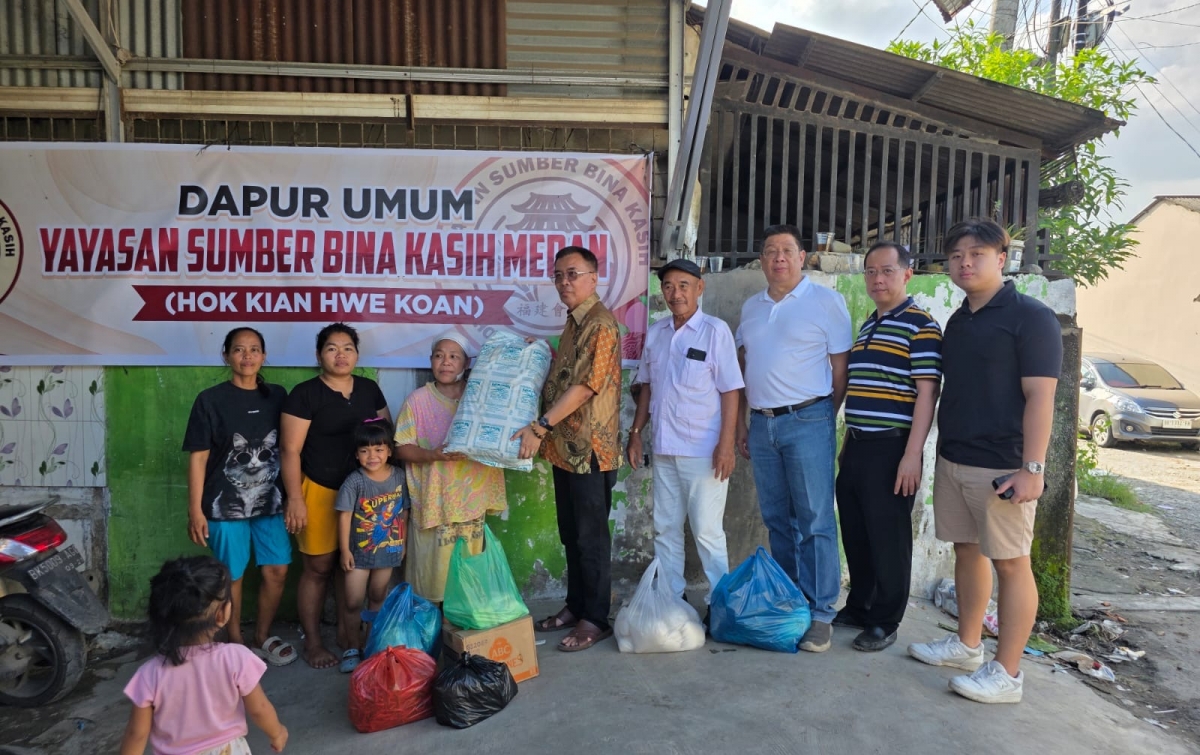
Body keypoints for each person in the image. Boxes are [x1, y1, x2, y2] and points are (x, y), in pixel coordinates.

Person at [908, 218, 1062, 704]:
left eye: (976, 254)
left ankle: (1008, 673)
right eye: (956, 256)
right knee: (966, 550)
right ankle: (967, 645)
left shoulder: (1031, 317)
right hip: (956, 456)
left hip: (1003, 466)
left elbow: (1041, 397)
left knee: (1012, 565)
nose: (965, 263)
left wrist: (1032, 469)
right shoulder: (960, 319)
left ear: (1002, 257)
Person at [735, 224, 852, 653]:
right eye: (770, 251)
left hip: (808, 419)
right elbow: (744, 365)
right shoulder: (751, 307)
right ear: (761, 260)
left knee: (815, 519)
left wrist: (821, 417)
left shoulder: (826, 301)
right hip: (762, 424)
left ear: (803, 257)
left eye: (787, 250)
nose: (778, 258)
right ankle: (790, 601)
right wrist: (744, 423)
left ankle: (821, 612)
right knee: (777, 519)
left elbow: (841, 369)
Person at [512, 245, 622, 653]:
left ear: (594, 278)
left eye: (572, 274)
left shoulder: (601, 324)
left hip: (589, 450)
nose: (563, 282)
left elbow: (586, 386)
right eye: (558, 275)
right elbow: (566, 373)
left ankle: (596, 619)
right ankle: (576, 606)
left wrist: (540, 426)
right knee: (571, 533)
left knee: (591, 538)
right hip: (565, 448)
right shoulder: (574, 322)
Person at [834, 242, 942, 652]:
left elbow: (927, 394)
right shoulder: (869, 324)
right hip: (857, 445)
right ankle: (860, 605)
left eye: (887, 271)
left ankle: (885, 620)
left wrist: (912, 456)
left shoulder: (921, 326)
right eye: (871, 272)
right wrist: (847, 443)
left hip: (893, 448)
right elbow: (862, 389)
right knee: (856, 531)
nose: (877, 279)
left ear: (907, 274)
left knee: (888, 538)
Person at [626, 258, 743, 618]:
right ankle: (672, 602)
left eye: (683, 286)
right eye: (668, 286)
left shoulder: (715, 331)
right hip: (664, 448)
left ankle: (720, 607)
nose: (675, 293)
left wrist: (726, 445)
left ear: (699, 288)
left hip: (704, 451)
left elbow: (731, 391)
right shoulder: (657, 333)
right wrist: (636, 433)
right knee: (665, 529)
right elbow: (646, 386)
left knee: (707, 532)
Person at [182, 327, 296, 667]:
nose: (247, 356)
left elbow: (290, 448)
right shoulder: (210, 400)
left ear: (264, 356)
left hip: (271, 502)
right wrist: (195, 510)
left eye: (254, 349)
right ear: (226, 355)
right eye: (239, 349)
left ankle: (262, 635)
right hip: (224, 506)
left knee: (277, 570)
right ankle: (235, 641)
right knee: (232, 575)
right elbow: (199, 458)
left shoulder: (278, 396)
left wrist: (294, 496)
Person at [280, 323, 390, 670]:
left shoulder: (369, 389)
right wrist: (295, 498)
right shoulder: (305, 394)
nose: (340, 355)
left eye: (347, 348)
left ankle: (348, 635)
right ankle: (313, 642)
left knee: (350, 564)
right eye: (331, 348)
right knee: (318, 567)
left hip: (365, 495)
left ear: (357, 354)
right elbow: (290, 450)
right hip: (319, 489)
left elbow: (384, 439)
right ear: (319, 355)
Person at [120, 556, 288, 755]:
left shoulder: (149, 674)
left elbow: (137, 734)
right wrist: (277, 733)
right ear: (222, 614)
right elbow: (259, 708)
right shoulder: (236, 658)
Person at [393, 333, 507, 604]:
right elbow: (401, 448)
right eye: (439, 356)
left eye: (454, 357)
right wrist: (432, 455)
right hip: (434, 501)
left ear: (466, 364)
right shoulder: (417, 400)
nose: (445, 362)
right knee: (432, 582)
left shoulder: (480, 397)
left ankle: (462, 626)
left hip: (471, 502)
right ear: (431, 361)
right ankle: (432, 625)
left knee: (468, 580)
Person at [335, 418, 408, 673]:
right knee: (353, 601)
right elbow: (344, 516)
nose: (372, 456)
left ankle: (371, 644)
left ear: (389, 451)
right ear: (357, 455)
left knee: (378, 596)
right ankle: (351, 647)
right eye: (365, 451)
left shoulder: (399, 477)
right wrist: (345, 550)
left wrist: (403, 543)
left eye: (378, 449)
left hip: (388, 550)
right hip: (358, 554)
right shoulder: (354, 481)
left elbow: (404, 512)